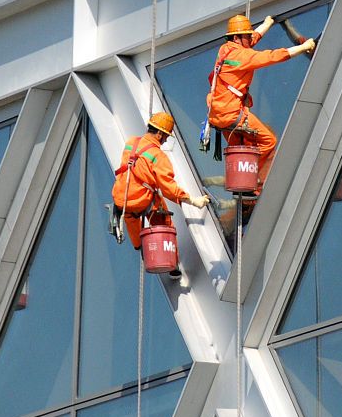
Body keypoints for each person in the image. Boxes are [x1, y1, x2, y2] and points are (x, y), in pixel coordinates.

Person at [206, 14, 316, 193]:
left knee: (240, 149)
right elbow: (271, 57)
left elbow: (250, 41)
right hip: (232, 114)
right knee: (268, 141)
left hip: (218, 116)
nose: (250, 38)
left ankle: (239, 181)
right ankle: (250, 174)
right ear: (237, 38)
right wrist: (303, 47)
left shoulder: (225, 50)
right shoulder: (241, 56)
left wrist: (267, 24)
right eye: (246, 36)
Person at [111, 113, 211, 269]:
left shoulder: (131, 143)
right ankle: (171, 264)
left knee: (131, 216)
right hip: (140, 200)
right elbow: (168, 188)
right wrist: (191, 200)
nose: (165, 140)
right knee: (164, 220)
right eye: (165, 136)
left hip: (120, 198)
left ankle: (140, 247)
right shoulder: (158, 156)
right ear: (159, 133)